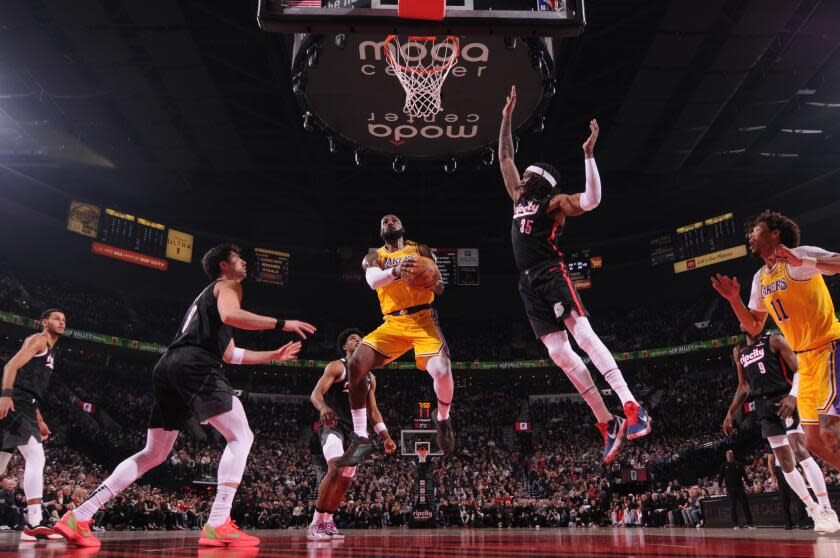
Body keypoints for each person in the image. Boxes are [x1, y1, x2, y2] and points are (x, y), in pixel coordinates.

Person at [56, 244, 313, 548]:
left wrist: (274, 355)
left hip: (169, 367)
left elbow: (230, 355)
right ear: (223, 265)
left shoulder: (208, 304)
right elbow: (233, 314)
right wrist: (282, 323)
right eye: (238, 258)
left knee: (154, 453)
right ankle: (218, 522)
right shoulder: (227, 286)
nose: (244, 262)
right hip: (194, 364)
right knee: (241, 436)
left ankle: (80, 515)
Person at [498, 85, 651, 462]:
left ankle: (631, 406)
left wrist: (588, 156)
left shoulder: (553, 203)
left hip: (551, 272)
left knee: (583, 335)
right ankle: (606, 421)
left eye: (523, 176)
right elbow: (504, 156)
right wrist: (505, 119)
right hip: (528, 283)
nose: (516, 179)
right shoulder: (519, 200)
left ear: (535, 179)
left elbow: (592, 200)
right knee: (559, 354)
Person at [712, 211, 840, 469]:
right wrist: (734, 300)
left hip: (829, 348)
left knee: (830, 431)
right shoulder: (760, 278)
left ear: (774, 233)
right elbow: (754, 326)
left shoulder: (798, 255)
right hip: (805, 361)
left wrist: (801, 259)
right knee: (814, 442)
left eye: (755, 230)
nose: (750, 235)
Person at [335, 215, 454, 466]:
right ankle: (361, 437)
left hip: (423, 320)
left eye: (394, 219)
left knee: (442, 371)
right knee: (355, 364)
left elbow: (441, 286)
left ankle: (442, 417)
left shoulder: (420, 249)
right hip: (393, 323)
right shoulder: (374, 257)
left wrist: (428, 278)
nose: (389, 221)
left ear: (402, 227)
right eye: (384, 221)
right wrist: (399, 271)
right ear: (381, 231)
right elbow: (372, 281)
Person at [723, 329, 839, 532]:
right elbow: (744, 387)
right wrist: (730, 412)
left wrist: (793, 397)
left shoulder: (774, 339)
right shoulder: (739, 350)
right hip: (763, 406)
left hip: (784, 399)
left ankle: (828, 509)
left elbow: (799, 369)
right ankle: (813, 510)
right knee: (785, 463)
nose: (743, 320)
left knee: (799, 450)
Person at [307, 328, 396, 540]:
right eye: (353, 339)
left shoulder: (370, 378)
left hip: (356, 434)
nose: (358, 341)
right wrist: (323, 408)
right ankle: (315, 523)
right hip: (334, 426)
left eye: (361, 339)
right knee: (335, 468)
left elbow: (373, 411)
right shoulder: (338, 366)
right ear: (345, 346)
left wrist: (386, 436)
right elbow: (316, 394)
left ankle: (328, 522)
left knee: (346, 481)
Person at [0, 308, 65, 541]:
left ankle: (35, 523)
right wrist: (5, 395)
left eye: (64, 319)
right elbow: (10, 367)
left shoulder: (52, 352)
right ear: (44, 322)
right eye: (57, 318)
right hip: (16, 402)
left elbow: (31, 388)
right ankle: (35, 522)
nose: (62, 322)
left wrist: (39, 419)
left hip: (26, 403)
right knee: (37, 457)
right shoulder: (38, 340)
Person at [718, 450, 754, 529]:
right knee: (732, 507)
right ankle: (735, 524)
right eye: (728, 455)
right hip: (730, 489)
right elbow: (720, 477)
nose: (729, 456)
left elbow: (744, 475)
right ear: (726, 456)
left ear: (733, 455)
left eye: (731, 454)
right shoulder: (723, 465)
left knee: (745, 505)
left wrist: (749, 485)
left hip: (740, 488)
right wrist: (719, 487)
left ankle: (750, 523)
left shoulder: (738, 464)